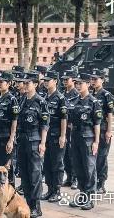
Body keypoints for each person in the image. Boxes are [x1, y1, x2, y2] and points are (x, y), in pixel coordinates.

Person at [68, 73, 102, 210]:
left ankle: (90, 198)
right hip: (75, 136)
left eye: (80, 83)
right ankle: (82, 194)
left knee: (89, 168)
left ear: (88, 84)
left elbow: (97, 124)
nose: (77, 85)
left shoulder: (94, 102)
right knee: (78, 167)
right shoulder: (74, 101)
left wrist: (96, 142)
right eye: (76, 83)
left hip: (88, 137)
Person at [17, 72, 49, 217]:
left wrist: (42, 143)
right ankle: (28, 203)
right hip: (22, 140)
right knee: (24, 173)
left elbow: (44, 124)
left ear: (35, 84)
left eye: (28, 83)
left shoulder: (41, 101)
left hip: (34, 140)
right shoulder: (22, 100)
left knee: (35, 174)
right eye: (24, 83)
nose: (25, 85)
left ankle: (36, 206)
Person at [40, 71, 67, 203]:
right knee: (47, 163)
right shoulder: (45, 97)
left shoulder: (60, 98)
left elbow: (64, 118)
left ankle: (57, 190)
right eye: (44, 80)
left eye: (48, 80)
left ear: (55, 81)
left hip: (57, 135)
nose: (45, 82)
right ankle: (50, 189)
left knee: (57, 164)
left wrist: (63, 135)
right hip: (47, 135)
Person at [0, 71, 19, 188]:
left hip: (5, 138)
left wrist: (11, 140)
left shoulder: (12, 100)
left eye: (2, 82)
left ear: (9, 83)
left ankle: (10, 194)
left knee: (7, 169)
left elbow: (14, 121)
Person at [90, 69, 114, 194]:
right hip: (93, 130)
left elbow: (110, 114)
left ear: (102, 80)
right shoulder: (91, 94)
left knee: (101, 157)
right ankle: (93, 181)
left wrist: (109, 131)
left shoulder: (106, 95)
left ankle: (101, 183)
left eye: (96, 79)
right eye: (92, 79)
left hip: (103, 129)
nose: (93, 81)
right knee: (92, 156)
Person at [61, 70, 80, 190]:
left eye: (66, 79)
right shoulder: (62, 94)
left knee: (73, 154)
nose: (64, 81)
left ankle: (75, 178)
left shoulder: (77, 95)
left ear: (73, 80)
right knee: (65, 155)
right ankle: (68, 177)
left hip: (72, 128)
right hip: (63, 128)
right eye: (63, 79)